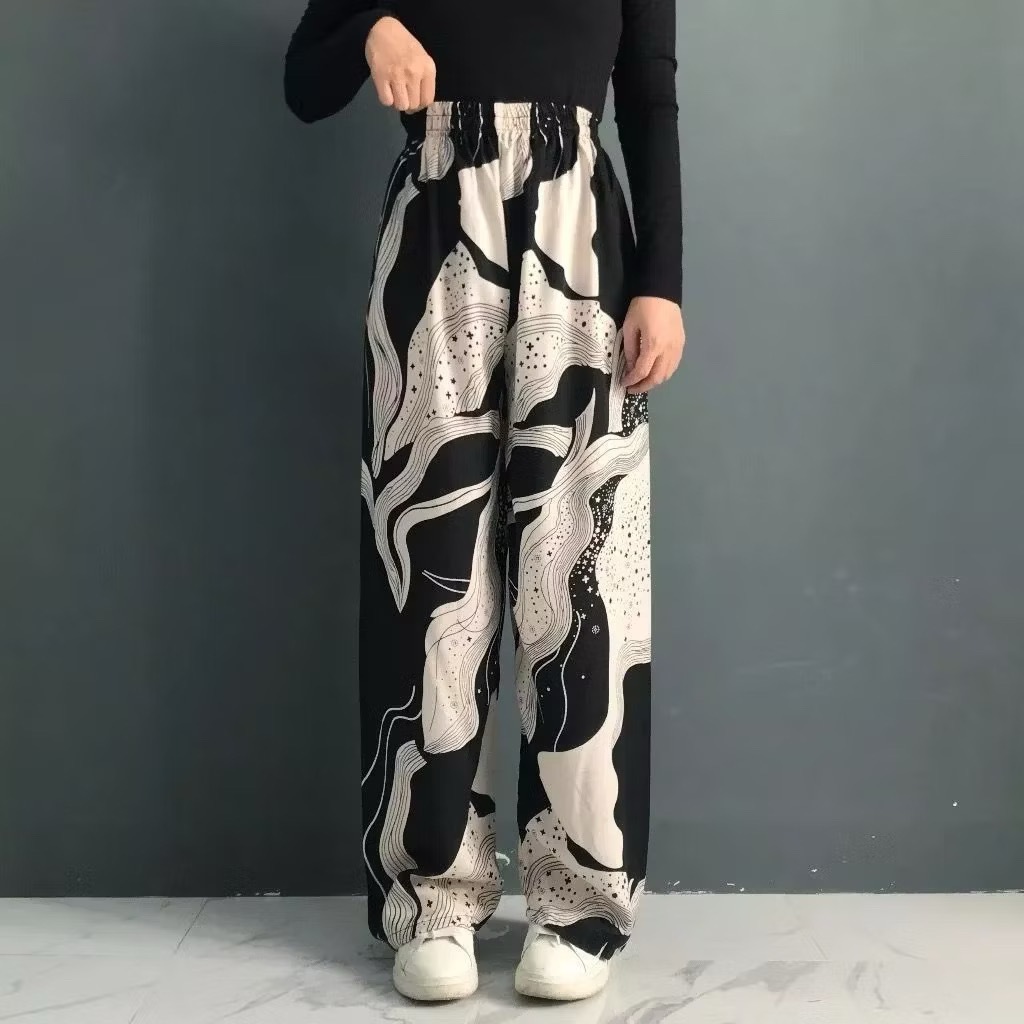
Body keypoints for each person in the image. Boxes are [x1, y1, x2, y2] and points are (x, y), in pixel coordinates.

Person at [284, 0, 685, 1003]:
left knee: (582, 573)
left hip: (582, 237)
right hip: (433, 231)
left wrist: (663, 282)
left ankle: (580, 900)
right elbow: (305, 82)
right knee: (428, 572)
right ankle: (431, 896)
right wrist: (370, 28)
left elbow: (648, 94)